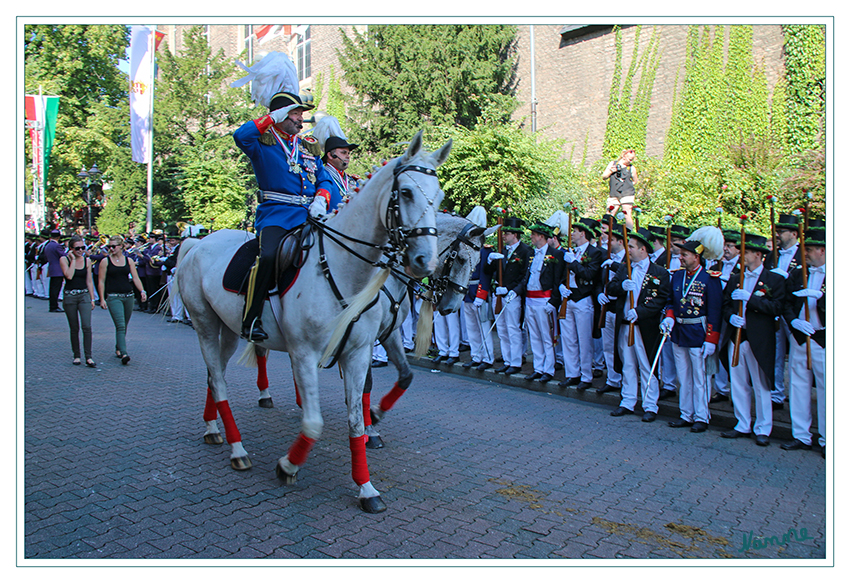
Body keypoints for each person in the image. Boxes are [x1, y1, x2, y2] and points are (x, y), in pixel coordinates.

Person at [232, 52, 335, 342]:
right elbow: (241, 136)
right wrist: (270, 118)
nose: (301, 120)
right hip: (276, 215)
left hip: (310, 215)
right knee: (267, 256)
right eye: (295, 114)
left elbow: (324, 176)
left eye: (301, 115)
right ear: (280, 116)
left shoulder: (307, 146)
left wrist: (321, 198)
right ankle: (250, 318)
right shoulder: (262, 143)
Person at [720, 234, 786, 446]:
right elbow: (725, 305)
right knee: (738, 382)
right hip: (737, 337)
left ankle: (764, 427)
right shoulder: (734, 278)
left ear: (758, 254)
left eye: (746, 252)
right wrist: (731, 316)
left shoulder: (774, 280)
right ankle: (742, 423)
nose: (742, 255)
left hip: (759, 338)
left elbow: (776, 308)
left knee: (761, 384)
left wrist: (751, 300)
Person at [660, 227, 724, 433]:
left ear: (697, 257)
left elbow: (715, 310)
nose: (680, 258)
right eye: (680, 254)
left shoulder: (709, 278)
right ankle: (685, 414)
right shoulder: (677, 277)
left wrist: (712, 339)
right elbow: (671, 301)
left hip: (699, 331)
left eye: (684, 255)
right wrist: (669, 319)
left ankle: (702, 416)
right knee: (683, 376)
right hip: (679, 330)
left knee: (700, 377)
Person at [607, 227, 670, 422]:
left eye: (632, 247)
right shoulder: (624, 267)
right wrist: (621, 286)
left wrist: (640, 312)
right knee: (628, 364)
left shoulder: (659, 272)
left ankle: (650, 405)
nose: (629, 250)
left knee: (646, 365)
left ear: (643, 249)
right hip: (625, 324)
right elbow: (611, 288)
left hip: (644, 326)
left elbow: (661, 298)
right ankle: (627, 401)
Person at [780, 226, 826, 458]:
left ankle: (829, 438)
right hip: (800, 336)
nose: (804, 254)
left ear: (823, 250)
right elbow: (786, 302)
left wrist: (825, 298)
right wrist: (794, 323)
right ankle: (801, 435)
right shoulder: (799, 273)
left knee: (828, 390)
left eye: (809, 250)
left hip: (823, 337)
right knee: (798, 386)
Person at [558, 217, 604, 390]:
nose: (572, 234)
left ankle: (586, 375)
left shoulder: (594, 252)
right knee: (568, 339)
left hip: (584, 298)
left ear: (583, 233)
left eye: (575, 231)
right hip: (568, 297)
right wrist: (562, 286)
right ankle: (572, 373)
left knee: (584, 339)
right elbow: (563, 274)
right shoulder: (572, 251)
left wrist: (574, 262)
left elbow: (589, 274)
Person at [484, 217, 532, 375]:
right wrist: (490, 260)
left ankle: (516, 361)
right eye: (503, 233)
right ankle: (507, 359)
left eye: (507, 233)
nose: (504, 236)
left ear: (516, 235)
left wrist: (512, 290)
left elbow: (525, 275)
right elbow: (488, 271)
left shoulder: (525, 251)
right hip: (499, 294)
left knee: (513, 329)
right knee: (502, 330)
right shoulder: (501, 250)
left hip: (512, 295)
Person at [517, 221, 564, 383]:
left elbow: (558, 280)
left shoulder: (555, 255)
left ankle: (548, 369)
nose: (531, 237)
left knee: (546, 336)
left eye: (533, 235)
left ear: (541, 237)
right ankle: (538, 367)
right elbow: (527, 276)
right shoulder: (532, 254)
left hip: (544, 300)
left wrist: (554, 301)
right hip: (530, 300)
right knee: (534, 335)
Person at [98, 236, 147, 365]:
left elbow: (135, 278)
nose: (111, 249)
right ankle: (124, 353)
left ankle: (118, 347)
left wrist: (142, 291)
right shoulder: (105, 261)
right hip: (113, 296)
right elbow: (101, 281)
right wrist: (102, 298)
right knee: (120, 325)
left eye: (114, 246)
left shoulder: (128, 260)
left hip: (128, 296)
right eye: (110, 246)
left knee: (124, 325)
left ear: (121, 246)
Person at [461, 206, 496, 371]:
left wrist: (481, 295)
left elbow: (485, 274)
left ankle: (487, 357)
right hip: (468, 292)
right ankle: (476, 355)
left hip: (479, 292)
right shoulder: (468, 249)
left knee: (483, 327)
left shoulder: (486, 250)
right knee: (472, 328)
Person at [595, 221, 626, 395]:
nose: (608, 243)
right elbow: (600, 281)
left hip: (620, 305)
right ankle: (612, 379)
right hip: (606, 306)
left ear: (620, 241)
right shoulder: (606, 257)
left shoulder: (626, 260)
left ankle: (625, 380)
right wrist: (599, 292)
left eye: (611, 240)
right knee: (607, 345)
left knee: (621, 346)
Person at [60, 235, 97, 367]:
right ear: (70, 249)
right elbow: (69, 276)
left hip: (84, 295)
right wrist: (73, 260)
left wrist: (92, 298)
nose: (81, 250)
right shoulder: (64, 259)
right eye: (77, 248)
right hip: (70, 295)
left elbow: (89, 280)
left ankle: (89, 356)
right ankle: (76, 355)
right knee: (74, 327)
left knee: (86, 326)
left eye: (83, 247)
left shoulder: (87, 261)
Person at [602, 149, 637, 229]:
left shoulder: (631, 168)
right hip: (614, 192)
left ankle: (628, 234)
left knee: (627, 213)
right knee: (609, 214)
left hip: (627, 193)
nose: (631, 161)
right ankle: (606, 234)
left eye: (632, 159)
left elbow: (635, 181)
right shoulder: (613, 164)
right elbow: (604, 176)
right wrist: (611, 171)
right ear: (624, 156)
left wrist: (627, 185)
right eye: (630, 159)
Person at [43, 229, 67, 312]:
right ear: (59, 237)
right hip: (58, 269)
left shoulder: (48, 245)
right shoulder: (57, 246)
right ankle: (54, 306)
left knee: (52, 289)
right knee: (56, 289)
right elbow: (63, 255)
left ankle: (52, 305)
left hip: (52, 268)